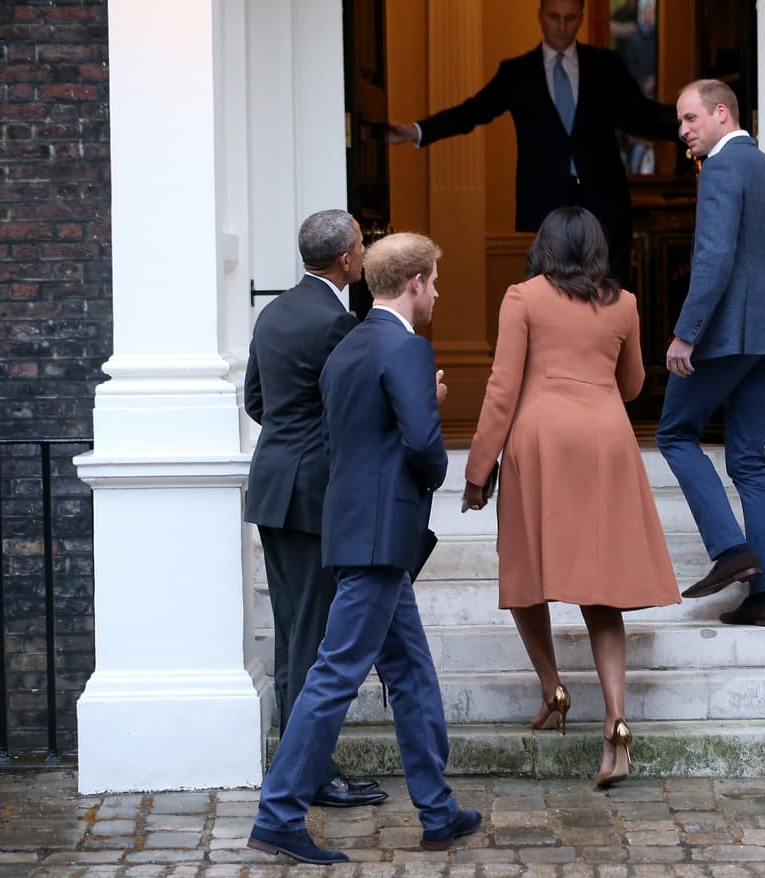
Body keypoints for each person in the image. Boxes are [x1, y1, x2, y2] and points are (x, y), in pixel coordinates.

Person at [248, 233, 481, 865]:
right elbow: (423, 448)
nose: (436, 291)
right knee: (333, 676)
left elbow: (343, 432)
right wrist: (429, 416)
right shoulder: (405, 347)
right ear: (414, 283)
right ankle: (278, 814)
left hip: (354, 526)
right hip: (381, 534)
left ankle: (437, 810)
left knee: (410, 672)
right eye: (433, 281)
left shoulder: (349, 345)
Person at [462, 207, 680, 787]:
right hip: (606, 440)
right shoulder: (625, 302)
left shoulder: (523, 297)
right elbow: (633, 385)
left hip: (542, 440)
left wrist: (478, 470)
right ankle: (615, 721)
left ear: (544, 247)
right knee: (600, 586)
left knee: (527, 568)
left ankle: (553, 687)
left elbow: (503, 386)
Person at [243, 209, 385, 810]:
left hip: (275, 488)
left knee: (292, 633)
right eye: (361, 245)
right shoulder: (335, 323)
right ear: (348, 260)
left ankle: (293, 758)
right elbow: (350, 412)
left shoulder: (272, 312)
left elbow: (257, 400)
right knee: (312, 639)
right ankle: (309, 773)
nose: (364, 252)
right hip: (309, 498)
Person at [386, 0, 676, 284]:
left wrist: (695, 124)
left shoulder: (606, 66)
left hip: (605, 202)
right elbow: (472, 112)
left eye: (570, 18)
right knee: (551, 298)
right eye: (554, 17)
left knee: (610, 295)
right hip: (545, 203)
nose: (562, 26)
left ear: (581, 17)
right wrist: (415, 131)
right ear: (540, 16)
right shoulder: (517, 73)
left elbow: (643, 115)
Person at [655, 79, 765, 627]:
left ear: (721, 113)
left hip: (726, 336)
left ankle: (730, 550)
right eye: (680, 123)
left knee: (673, 433)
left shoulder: (720, 167)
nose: (684, 131)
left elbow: (713, 259)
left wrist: (686, 332)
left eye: (690, 119)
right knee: (748, 461)